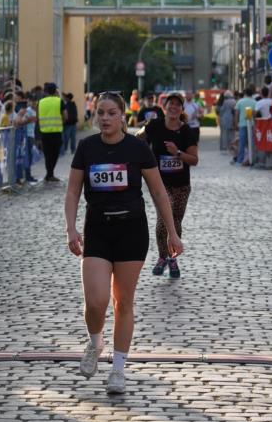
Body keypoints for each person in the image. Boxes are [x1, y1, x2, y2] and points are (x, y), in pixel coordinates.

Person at [64, 91, 183, 396]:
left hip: (132, 231)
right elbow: (73, 191)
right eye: (100, 113)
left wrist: (172, 233)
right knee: (95, 301)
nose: (104, 118)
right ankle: (95, 341)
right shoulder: (87, 148)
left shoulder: (137, 148)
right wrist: (71, 229)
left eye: (111, 113)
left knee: (123, 302)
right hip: (97, 230)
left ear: (122, 117)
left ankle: (118, 369)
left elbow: (158, 192)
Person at [143, 92, 198, 279]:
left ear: (181, 109)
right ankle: (162, 257)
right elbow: (139, 139)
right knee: (163, 220)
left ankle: (173, 258)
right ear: (164, 106)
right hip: (159, 183)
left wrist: (178, 153)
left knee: (175, 221)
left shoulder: (186, 131)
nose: (173, 107)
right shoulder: (155, 126)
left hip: (182, 185)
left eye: (177, 104)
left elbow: (194, 160)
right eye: (170, 104)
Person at [37, 82, 66, 182]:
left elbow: (37, 118)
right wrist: (62, 122)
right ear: (55, 91)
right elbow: (65, 116)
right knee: (55, 154)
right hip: (56, 132)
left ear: (46, 91)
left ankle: (49, 174)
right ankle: (50, 174)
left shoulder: (40, 102)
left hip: (44, 132)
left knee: (47, 154)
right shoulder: (59, 101)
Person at [233, 87, 255, 165]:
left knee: (241, 143)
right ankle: (251, 159)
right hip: (251, 124)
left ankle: (239, 160)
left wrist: (236, 123)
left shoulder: (240, 101)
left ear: (245, 93)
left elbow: (236, 113)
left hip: (242, 124)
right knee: (251, 143)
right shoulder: (254, 102)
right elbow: (255, 114)